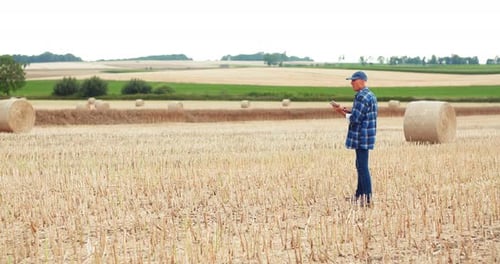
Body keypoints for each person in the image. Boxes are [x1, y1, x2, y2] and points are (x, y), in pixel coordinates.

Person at [331, 71, 378, 207]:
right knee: (360, 165)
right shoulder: (369, 95)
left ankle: (367, 198)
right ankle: (359, 195)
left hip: (361, 136)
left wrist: (341, 113)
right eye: (351, 80)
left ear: (362, 81)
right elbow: (360, 113)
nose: (351, 83)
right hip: (367, 135)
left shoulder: (362, 97)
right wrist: (346, 110)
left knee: (362, 167)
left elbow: (356, 119)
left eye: (354, 80)